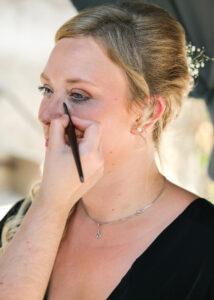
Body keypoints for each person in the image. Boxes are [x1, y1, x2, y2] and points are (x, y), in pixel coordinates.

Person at [0, 1, 214, 299]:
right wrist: (51, 203)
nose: (46, 114)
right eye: (46, 90)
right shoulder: (21, 220)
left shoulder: (205, 247)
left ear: (147, 112)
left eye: (78, 94)